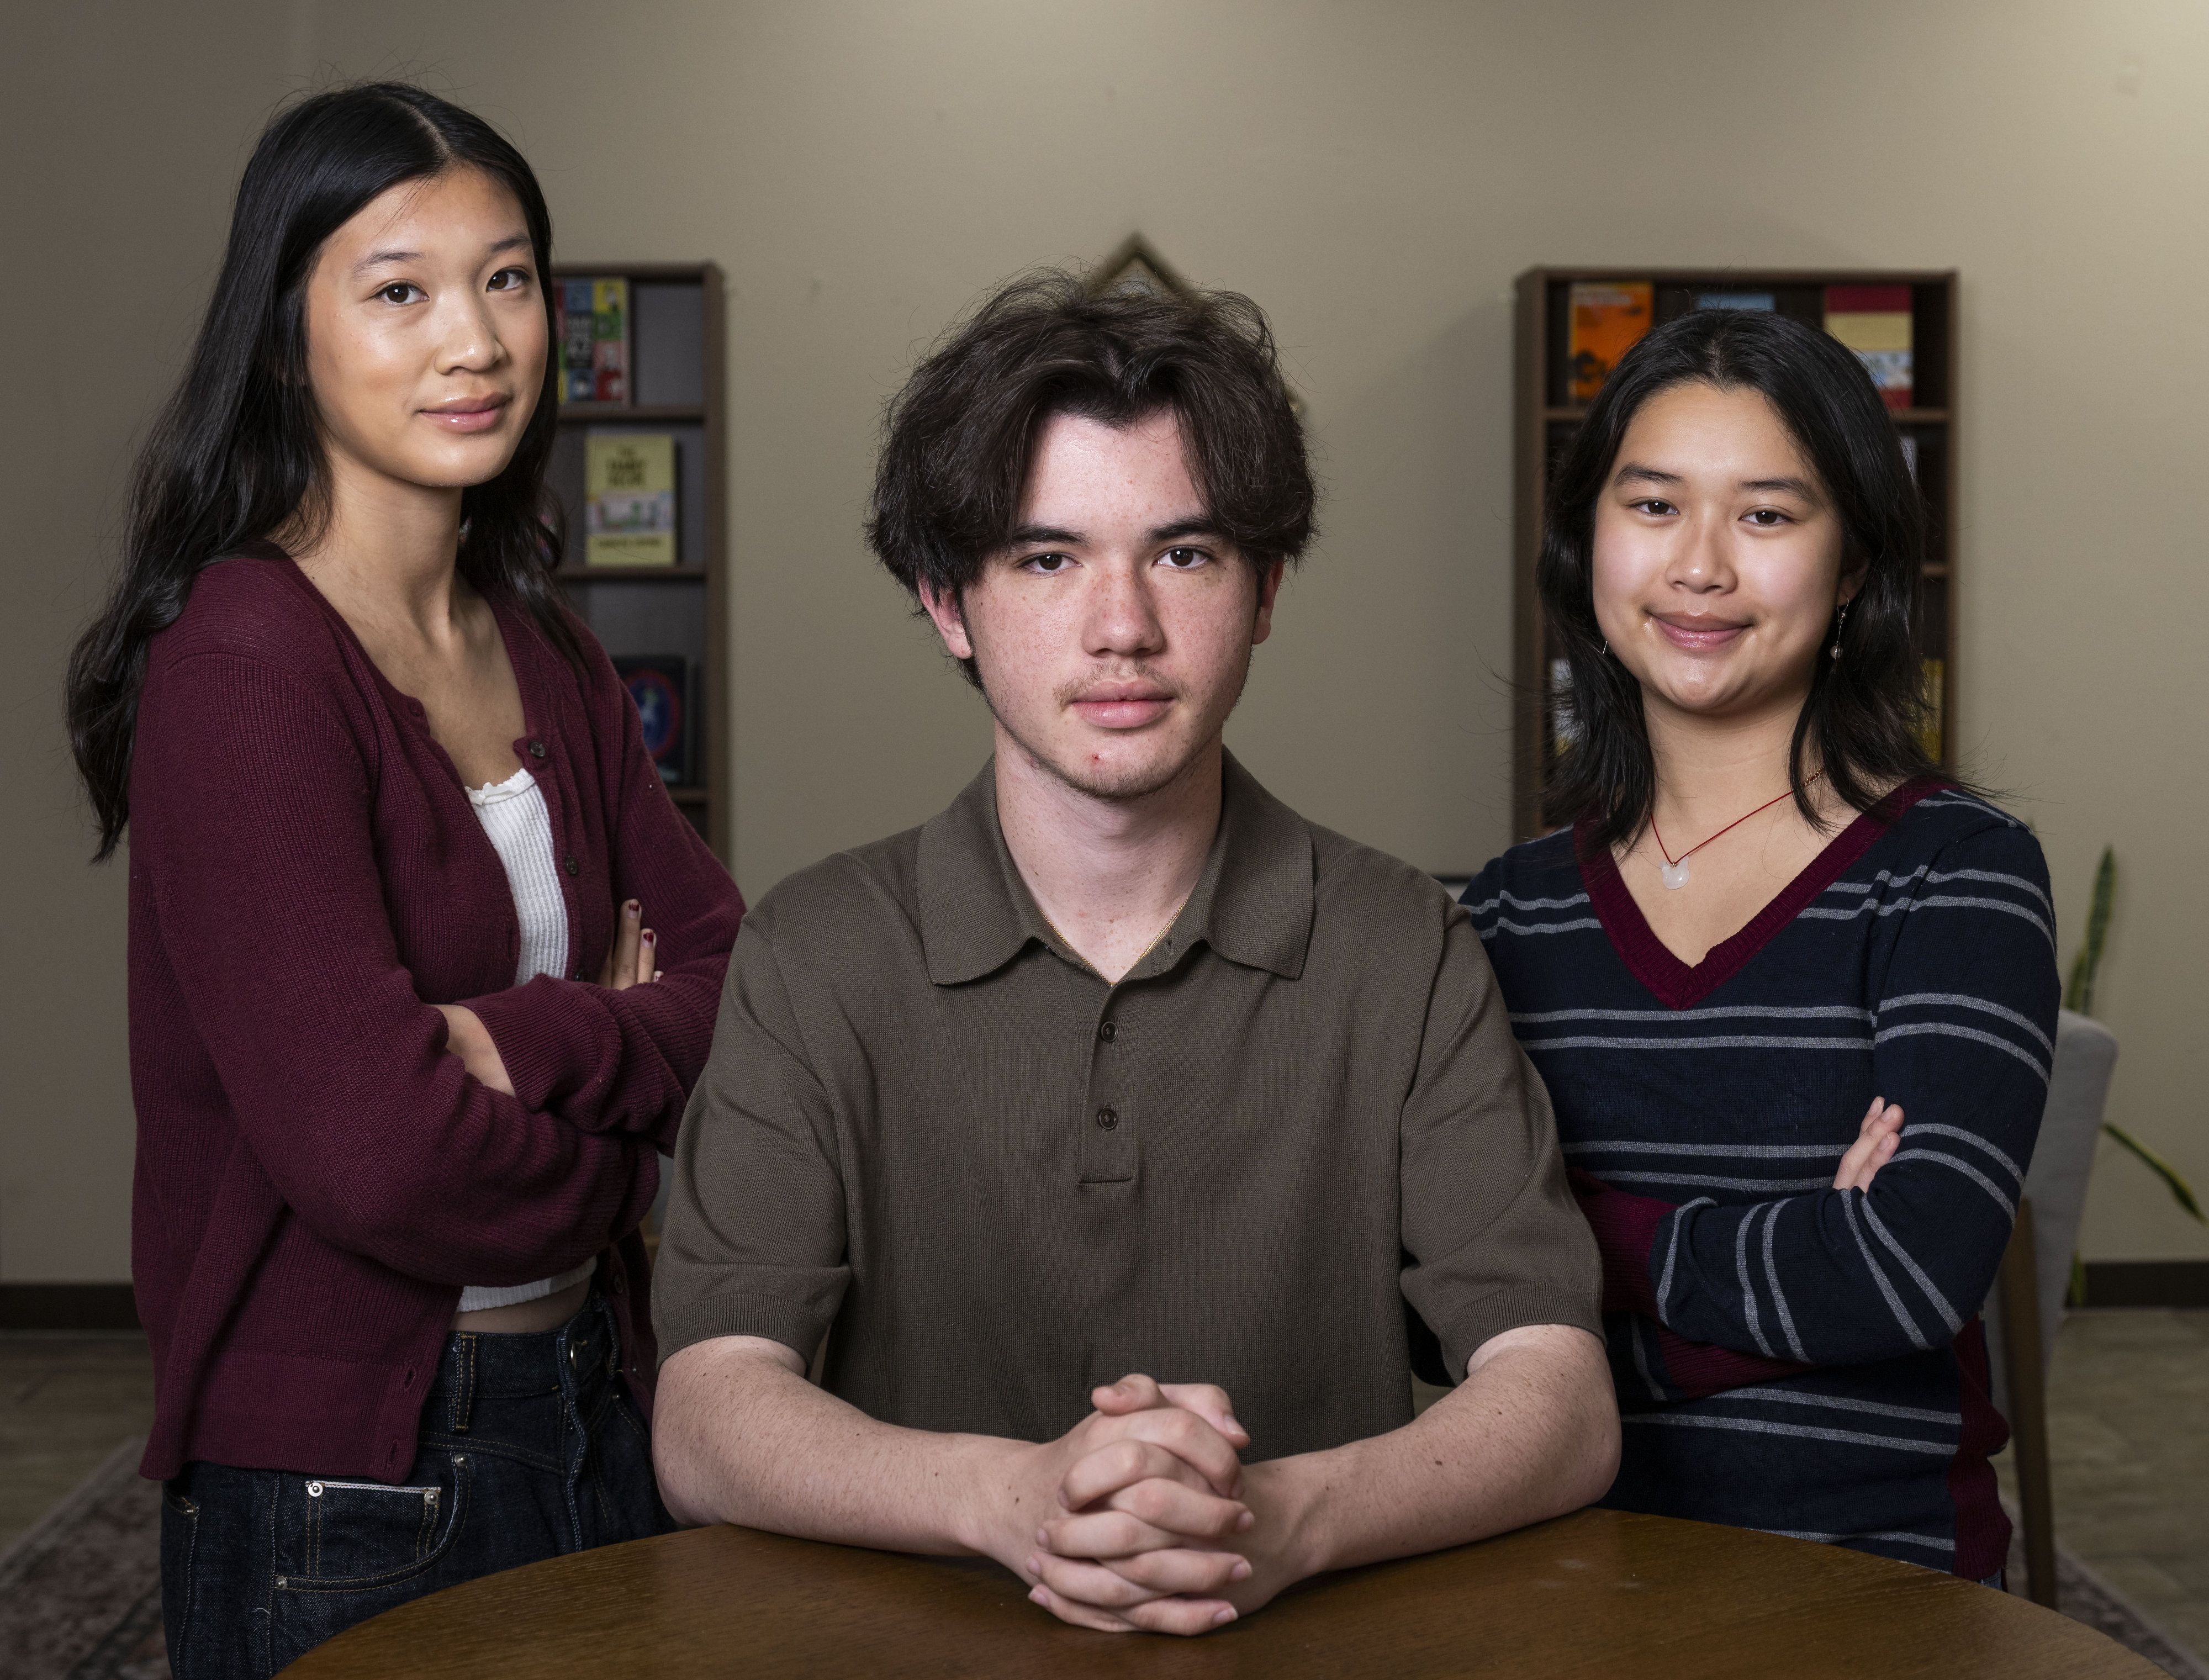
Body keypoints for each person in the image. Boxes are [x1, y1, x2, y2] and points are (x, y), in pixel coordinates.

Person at [650, 274, 1616, 1636]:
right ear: (947, 602)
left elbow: (1559, 1401)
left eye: (1182, 555)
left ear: (1265, 589)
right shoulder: (815, 952)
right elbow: (703, 1415)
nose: (1122, 628)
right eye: (1046, 559)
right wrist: (1007, 1500)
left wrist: (1278, 1518)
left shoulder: (1402, 940)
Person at [62, 85, 743, 1676]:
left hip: (596, 1389)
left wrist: (522, 1043)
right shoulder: (244, 665)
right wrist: (631, 1147)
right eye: (399, 290)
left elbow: (736, 982)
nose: (477, 340)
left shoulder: (552, 651)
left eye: (509, 280)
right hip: (350, 1479)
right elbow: (372, 1155)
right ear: (283, 336)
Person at [1463, 307, 2057, 1583]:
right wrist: (1789, 1250)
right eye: (1654, 506)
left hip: (1869, 1577)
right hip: (1546, 1568)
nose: (1699, 569)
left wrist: (1568, 1243)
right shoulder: (1502, 917)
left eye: (1768, 516)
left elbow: (1905, 1269)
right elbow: (1429, 1295)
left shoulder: (1952, 875)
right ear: (1586, 543)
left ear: (1851, 567)